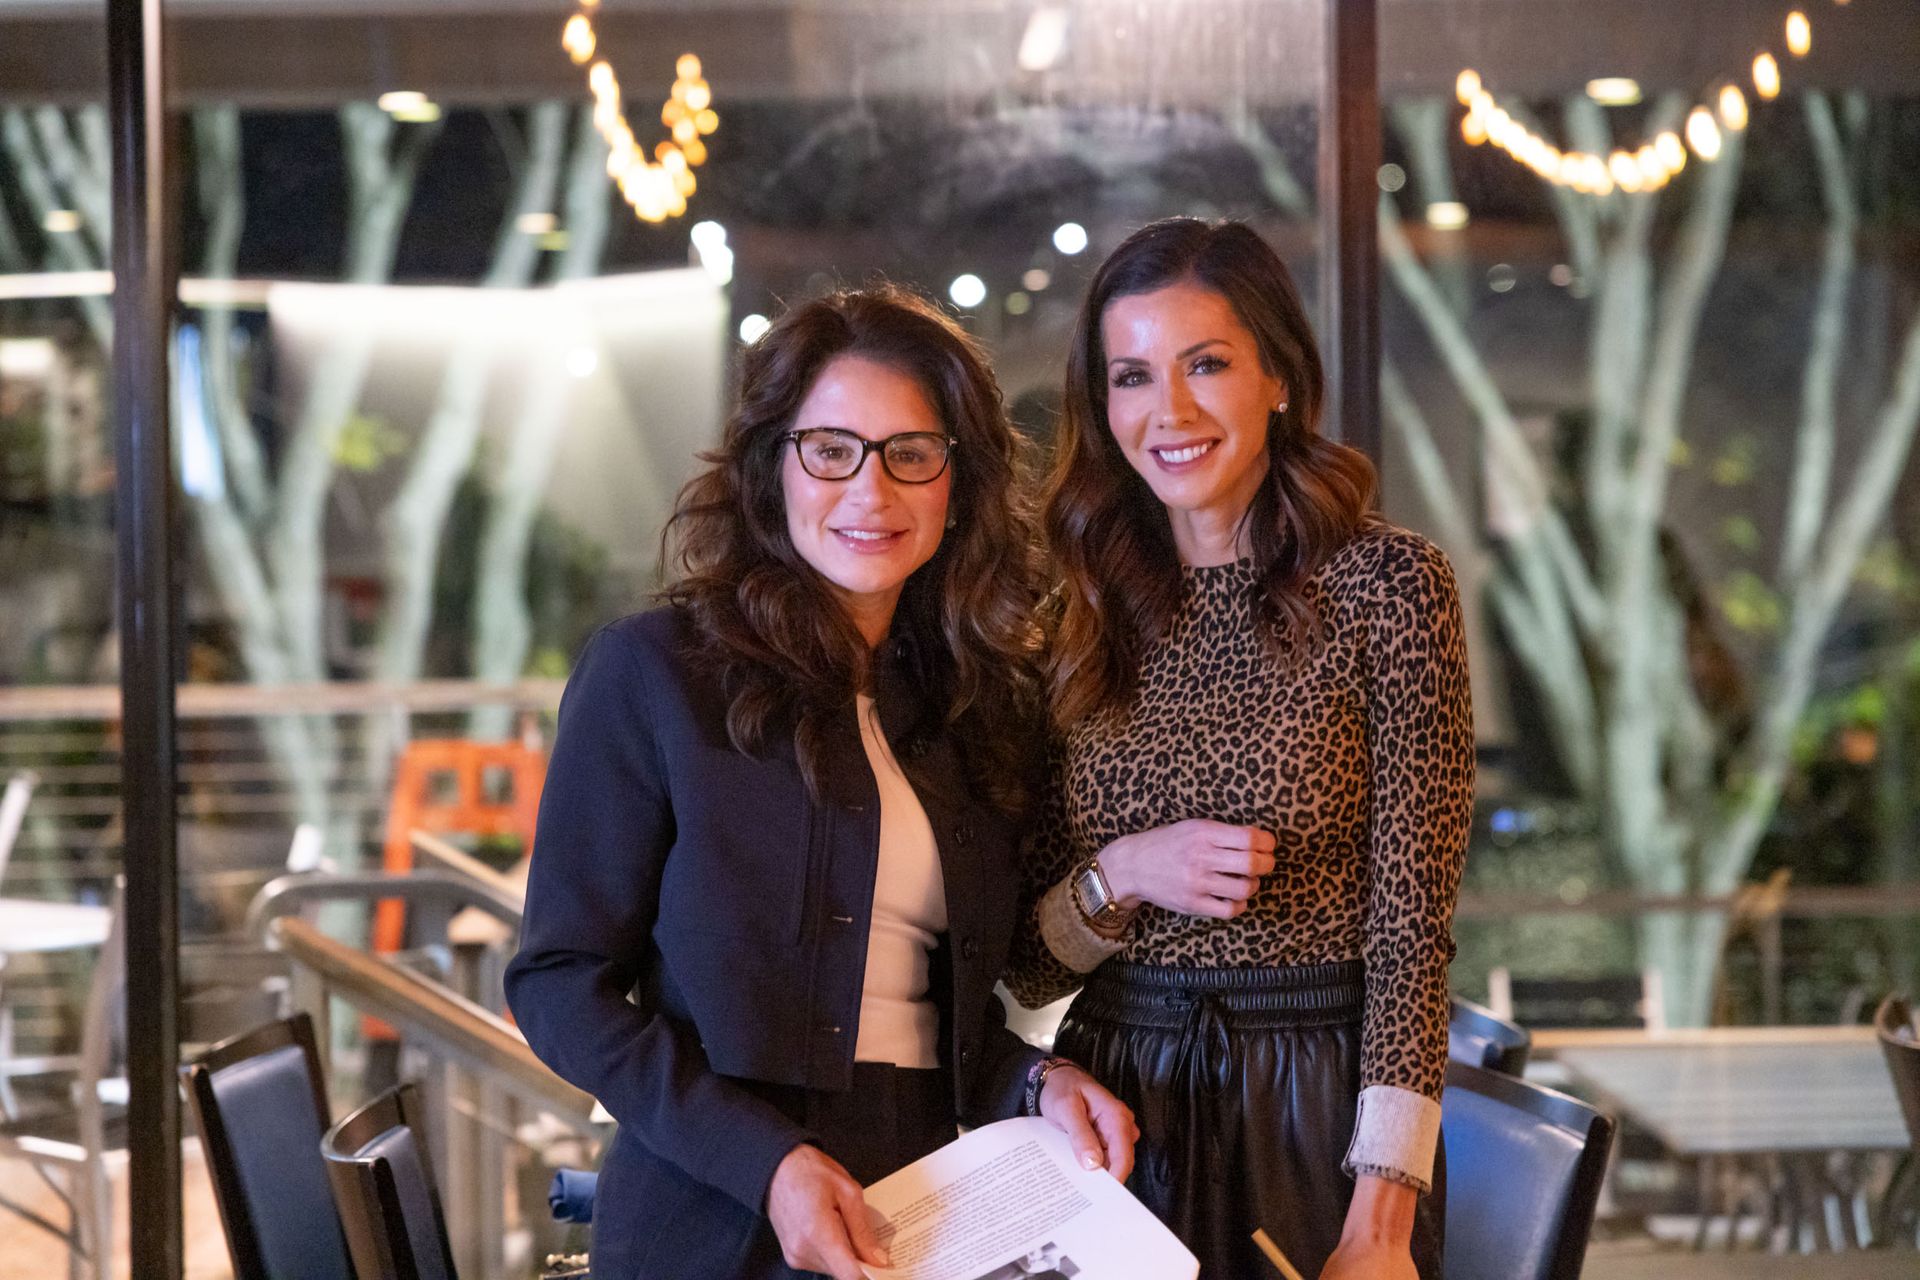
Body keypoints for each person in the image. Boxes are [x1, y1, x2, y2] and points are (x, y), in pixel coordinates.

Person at [506, 285, 1136, 1280]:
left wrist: (1037, 1081)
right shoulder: (655, 671)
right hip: (708, 1220)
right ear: (772, 467)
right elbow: (557, 984)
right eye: (831, 449)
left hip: (923, 1210)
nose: (870, 492)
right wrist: (766, 1162)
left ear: (958, 482)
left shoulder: (973, 704)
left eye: (910, 453)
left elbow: (935, 1019)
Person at [1005, 218, 1472, 1280]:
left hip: (1317, 1105)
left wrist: (1382, 1219)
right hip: (1115, 1107)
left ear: (1279, 378)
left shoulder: (1390, 586)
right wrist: (1124, 871)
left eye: (1206, 364)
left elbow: (1411, 935)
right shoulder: (1074, 607)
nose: (1168, 410)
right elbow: (1028, 965)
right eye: (1132, 376)